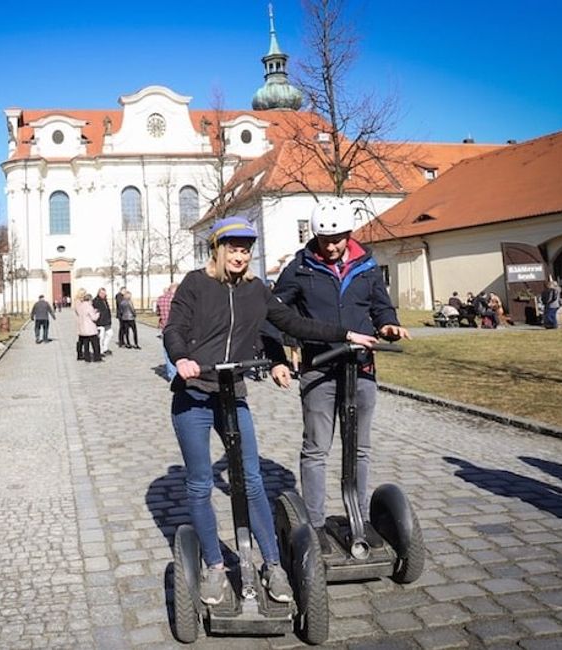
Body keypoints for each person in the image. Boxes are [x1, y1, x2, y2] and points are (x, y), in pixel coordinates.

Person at [165, 215, 378, 607]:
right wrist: (180, 358)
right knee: (198, 483)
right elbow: (173, 328)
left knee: (251, 479)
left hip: (233, 394)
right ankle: (214, 566)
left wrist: (345, 334)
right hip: (193, 395)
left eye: (246, 249)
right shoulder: (195, 284)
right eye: (233, 248)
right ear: (218, 249)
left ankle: (272, 564)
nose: (240, 255)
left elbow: (294, 322)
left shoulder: (256, 290)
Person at [272, 196, 411, 555]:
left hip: (361, 368)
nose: (331, 247)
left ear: (349, 234)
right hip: (320, 368)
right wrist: (282, 349)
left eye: (337, 239)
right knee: (316, 448)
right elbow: (275, 310)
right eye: (324, 240)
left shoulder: (366, 265)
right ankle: (315, 524)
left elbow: (380, 306)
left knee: (360, 448)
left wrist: (389, 325)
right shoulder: (300, 267)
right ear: (315, 236)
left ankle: (359, 518)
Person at [155, 282, 179, 380]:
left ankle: (172, 374)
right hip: (178, 327)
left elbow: (157, 313)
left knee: (167, 352)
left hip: (165, 328)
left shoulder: (160, 299)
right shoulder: (178, 299)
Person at [74, 290, 102, 362]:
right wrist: (98, 313)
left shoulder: (81, 306)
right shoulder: (89, 307)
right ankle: (97, 357)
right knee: (95, 344)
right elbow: (94, 318)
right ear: (90, 300)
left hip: (83, 328)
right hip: (90, 328)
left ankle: (87, 358)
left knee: (86, 344)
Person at [92, 288, 114, 356]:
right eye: (102, 293)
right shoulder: (96, 301)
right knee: (101, 337)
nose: (103, 295)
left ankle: (105, 348)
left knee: (110, 334)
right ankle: (100, 351)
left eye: (104, 293)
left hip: (107, 321)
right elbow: (95, 311)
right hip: (100, 322)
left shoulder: (105, 300)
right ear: (98, 293)